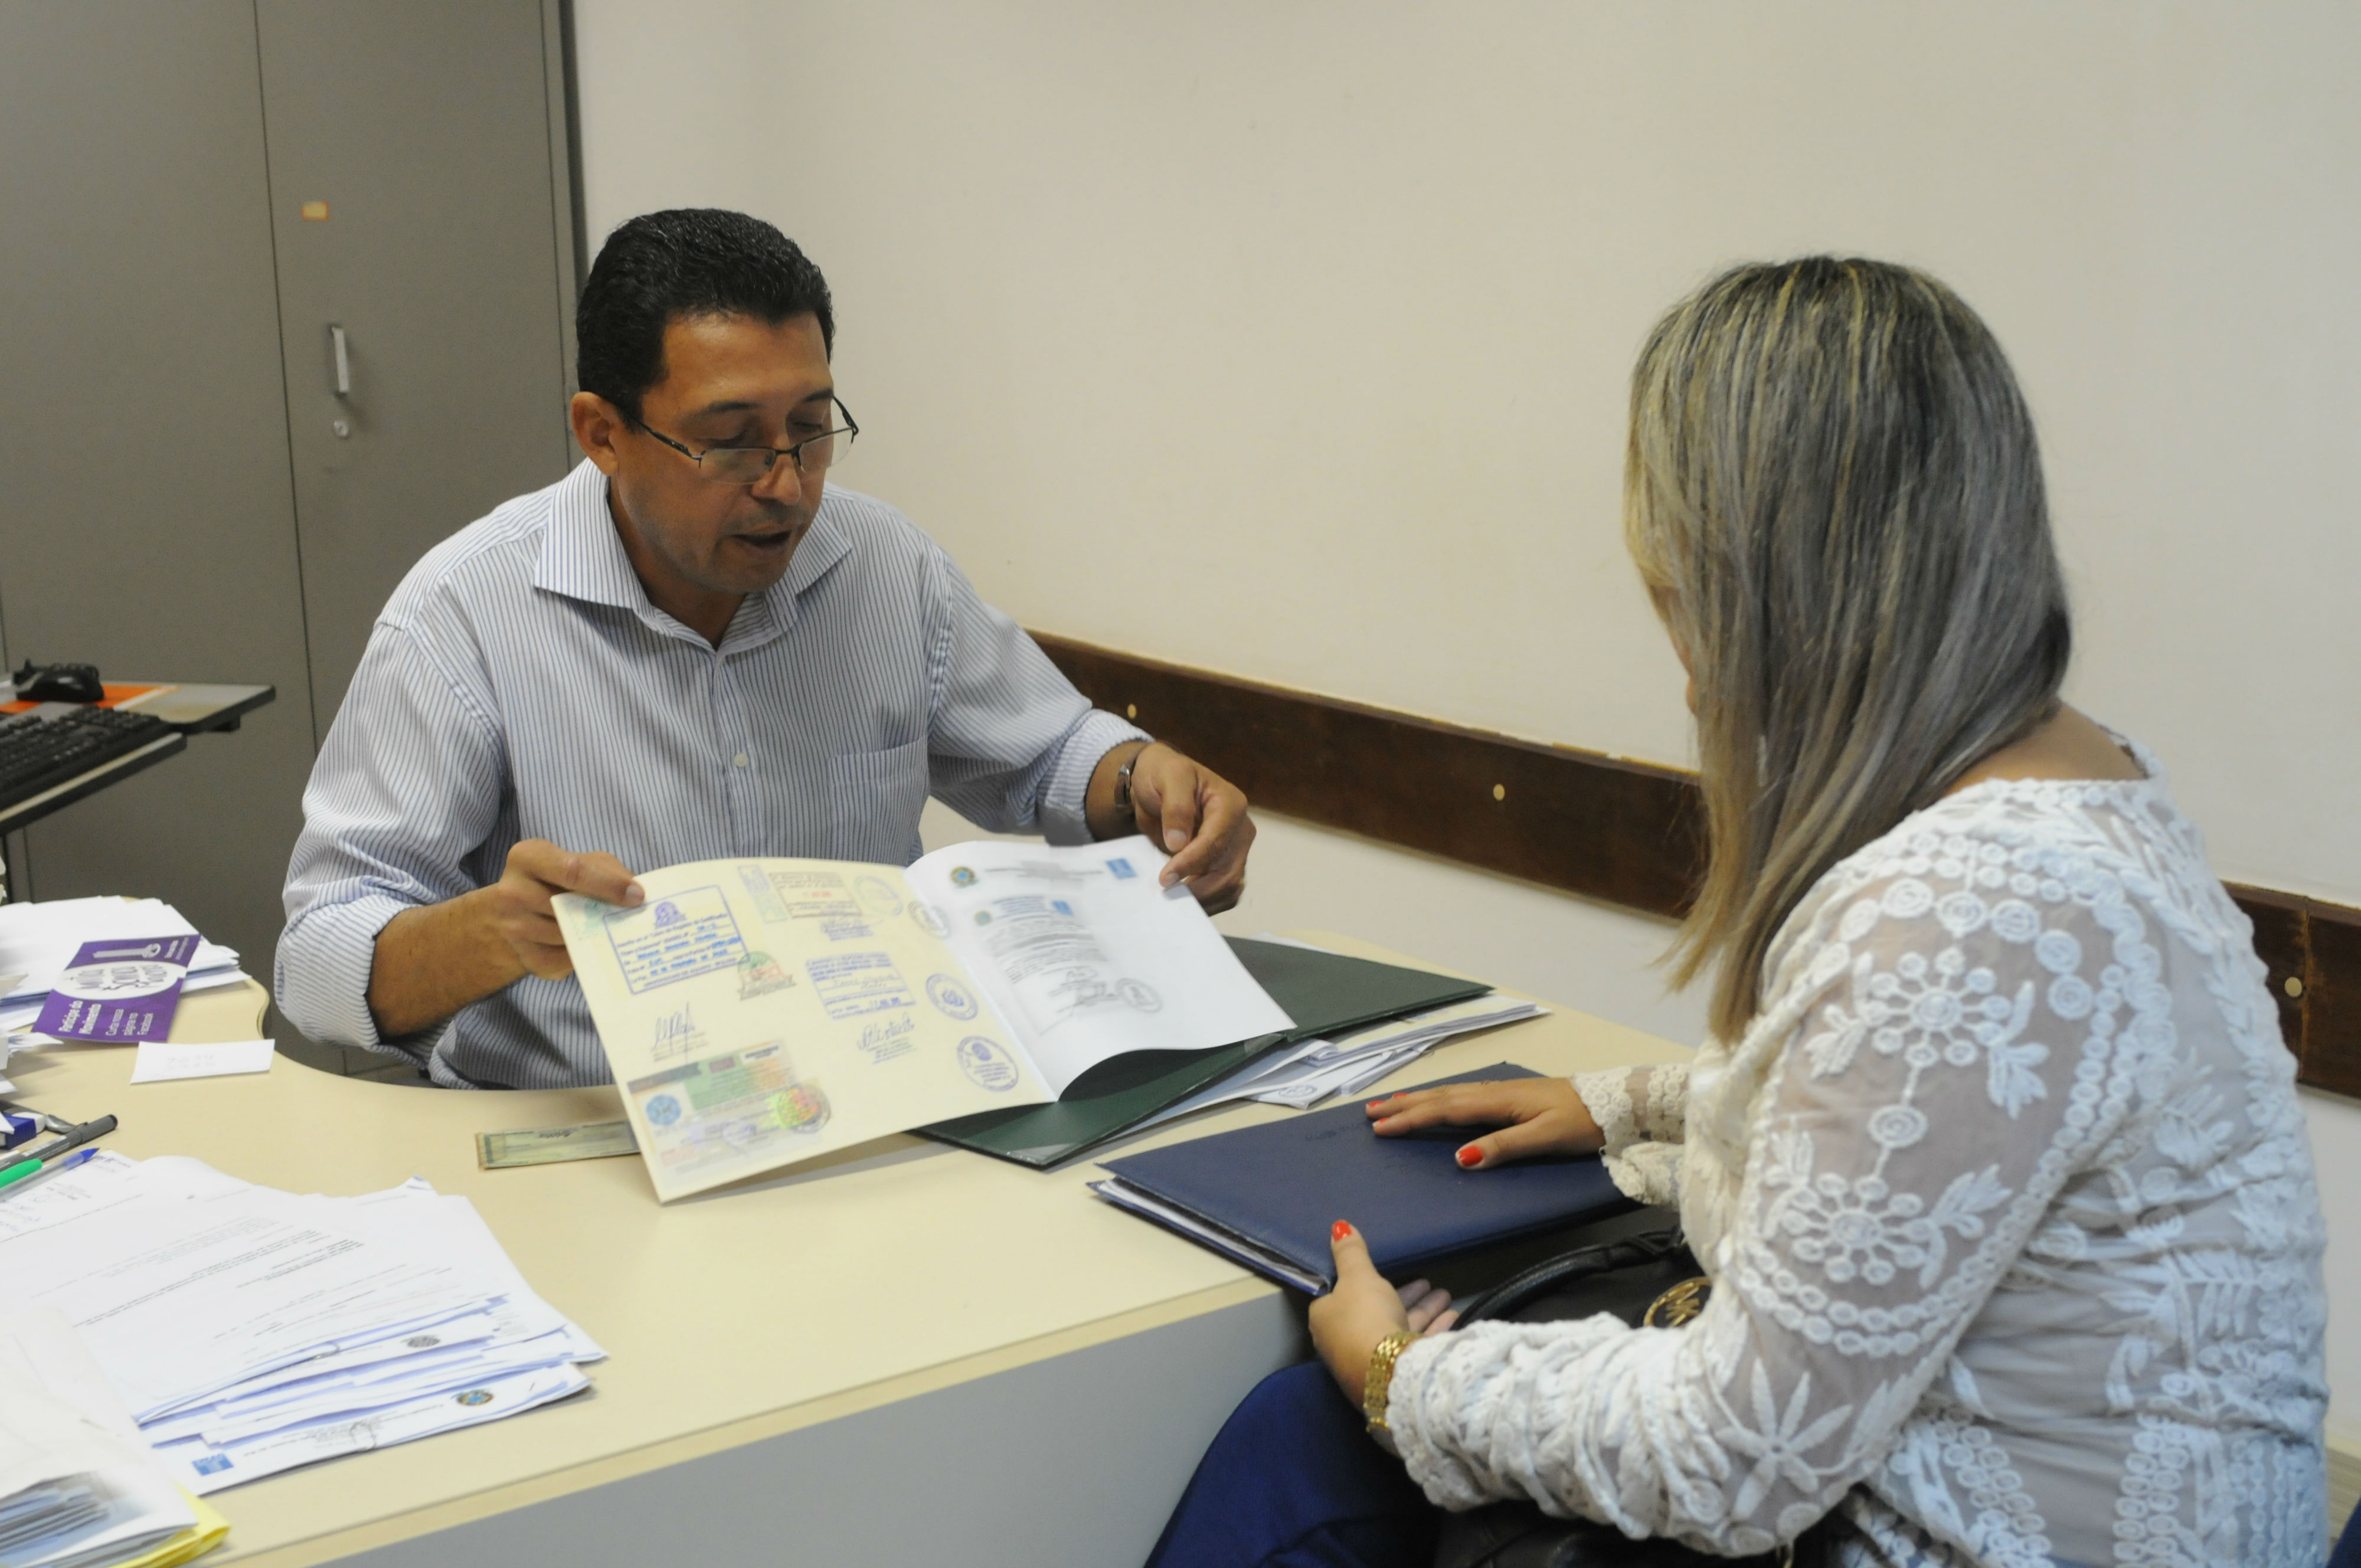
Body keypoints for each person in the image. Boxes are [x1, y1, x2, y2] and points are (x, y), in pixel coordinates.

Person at [1149, 258, 2329, 1568]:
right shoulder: (2078, 787)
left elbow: (1732, 1458)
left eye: (1671, 583)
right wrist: (1648, 1105)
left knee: (1305, 1436)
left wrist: (1397, 1378)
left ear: (1750, 583)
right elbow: (1944, 1138)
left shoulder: (1962, 905)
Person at [277, 209, 1254, 1089]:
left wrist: (1144, 780)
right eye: (733, 441)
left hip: (883, 1108)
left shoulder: (883, 564)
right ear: (602, 433)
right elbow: (317, 957)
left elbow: (1047, 753)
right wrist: (489, 935)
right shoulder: (465, 612)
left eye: (811, 429)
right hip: (584, 1141)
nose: (787, 486)